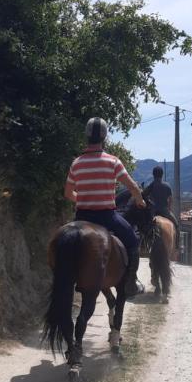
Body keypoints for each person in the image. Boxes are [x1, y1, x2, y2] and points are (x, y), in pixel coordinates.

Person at [65, 117, 145, 296]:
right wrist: (140, 200)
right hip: (107, 217)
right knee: (132, 241)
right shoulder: (113, 161)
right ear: (104, 137)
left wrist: (84, 199)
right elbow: (132, 187)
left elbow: (68, 193)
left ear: (86, 136)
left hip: (81, 218)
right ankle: (131, 282)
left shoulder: (76, 163)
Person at [143, 166, 179, 245]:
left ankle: (142, 243)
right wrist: (169, 209)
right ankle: (177, 245)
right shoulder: (167, 186)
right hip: (165, 211)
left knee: (143, 225)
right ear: (162, 175)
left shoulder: (151, 185)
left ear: (153, 175)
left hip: (153, 211)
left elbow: (144, 195)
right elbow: (170, 199)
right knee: (176, 225)